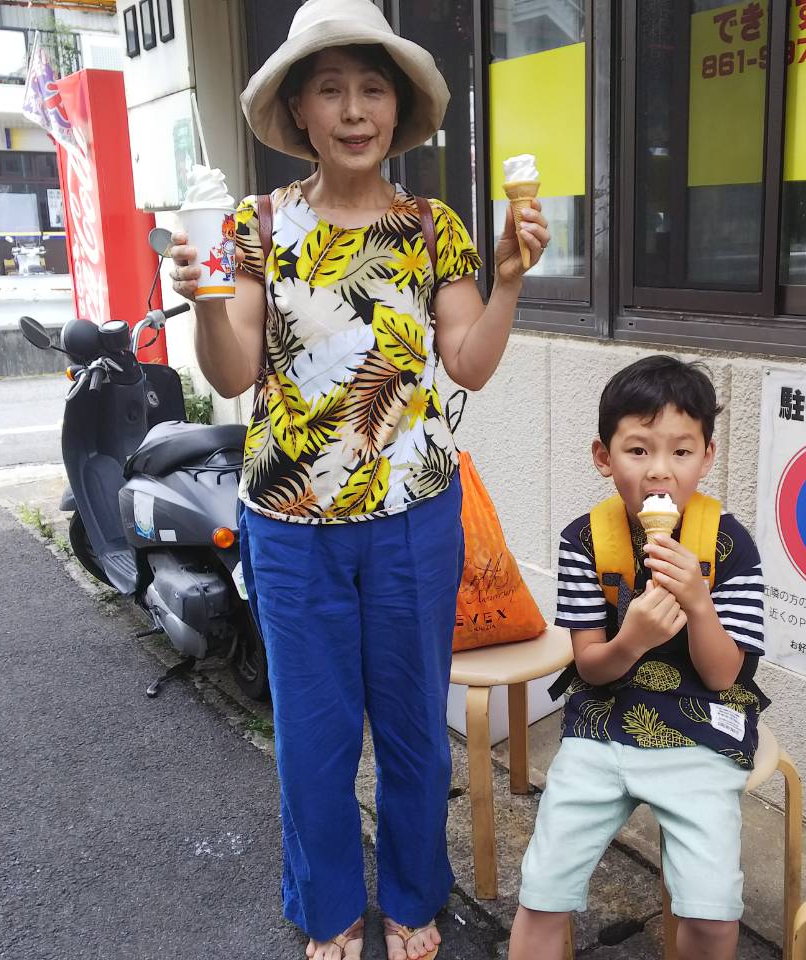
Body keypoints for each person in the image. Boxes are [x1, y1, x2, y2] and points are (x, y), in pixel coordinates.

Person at [165, 1, 550, 958]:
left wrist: (507, 280)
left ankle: (415, 896)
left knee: (415, 728)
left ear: (398, 108)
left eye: (372, 89)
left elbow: (467, 363)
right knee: (314, 737)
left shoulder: (431, 226)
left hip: (414, 517)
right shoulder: (255, 226)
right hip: (291, 526)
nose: (352, 109)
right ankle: (330, 905)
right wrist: (205, 301)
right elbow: (233, 368)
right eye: (329, 89)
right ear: (298, 109)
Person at [507, 356, 771, 960]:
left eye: (681, 451)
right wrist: (633, 639)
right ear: (604, 457)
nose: (659, 471)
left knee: (711, 913)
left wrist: (698, 603)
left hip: (700, 730)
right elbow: (590, 667)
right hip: (603, 722)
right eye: (638, 450)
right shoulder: (584, 540)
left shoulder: (730, 546)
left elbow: (724, 675)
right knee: (542, 893)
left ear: (707, 456)